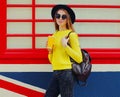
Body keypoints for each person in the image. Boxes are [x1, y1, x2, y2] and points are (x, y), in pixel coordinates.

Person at [45, 4, 83, 97]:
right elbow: (52, 60)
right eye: (58, 16)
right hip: (56, 71)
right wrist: (50, 51)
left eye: (63, 16)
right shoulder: (54, 35)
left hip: (66, 72)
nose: (60, 18)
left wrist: (66, 46)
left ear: (68, 19)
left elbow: (79, 58)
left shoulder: (71, 35)